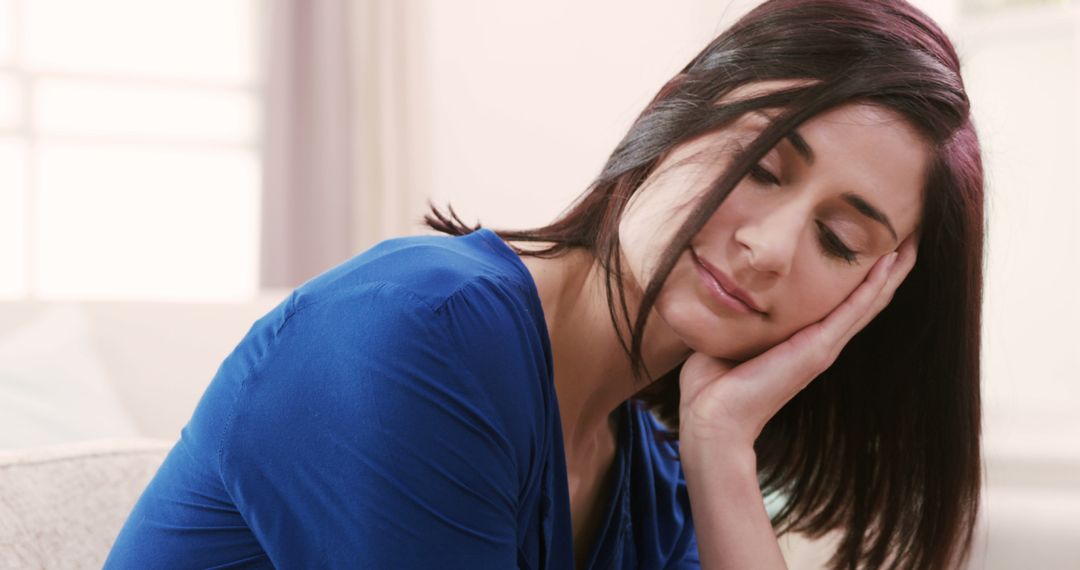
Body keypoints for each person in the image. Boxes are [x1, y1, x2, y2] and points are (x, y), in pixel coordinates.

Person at [106, 0, 984, 568]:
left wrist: (719, 448)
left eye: (838, 241)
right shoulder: (415, 334)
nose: (769, 247)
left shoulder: (647, 480)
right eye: (760, 162)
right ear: (677, 111)